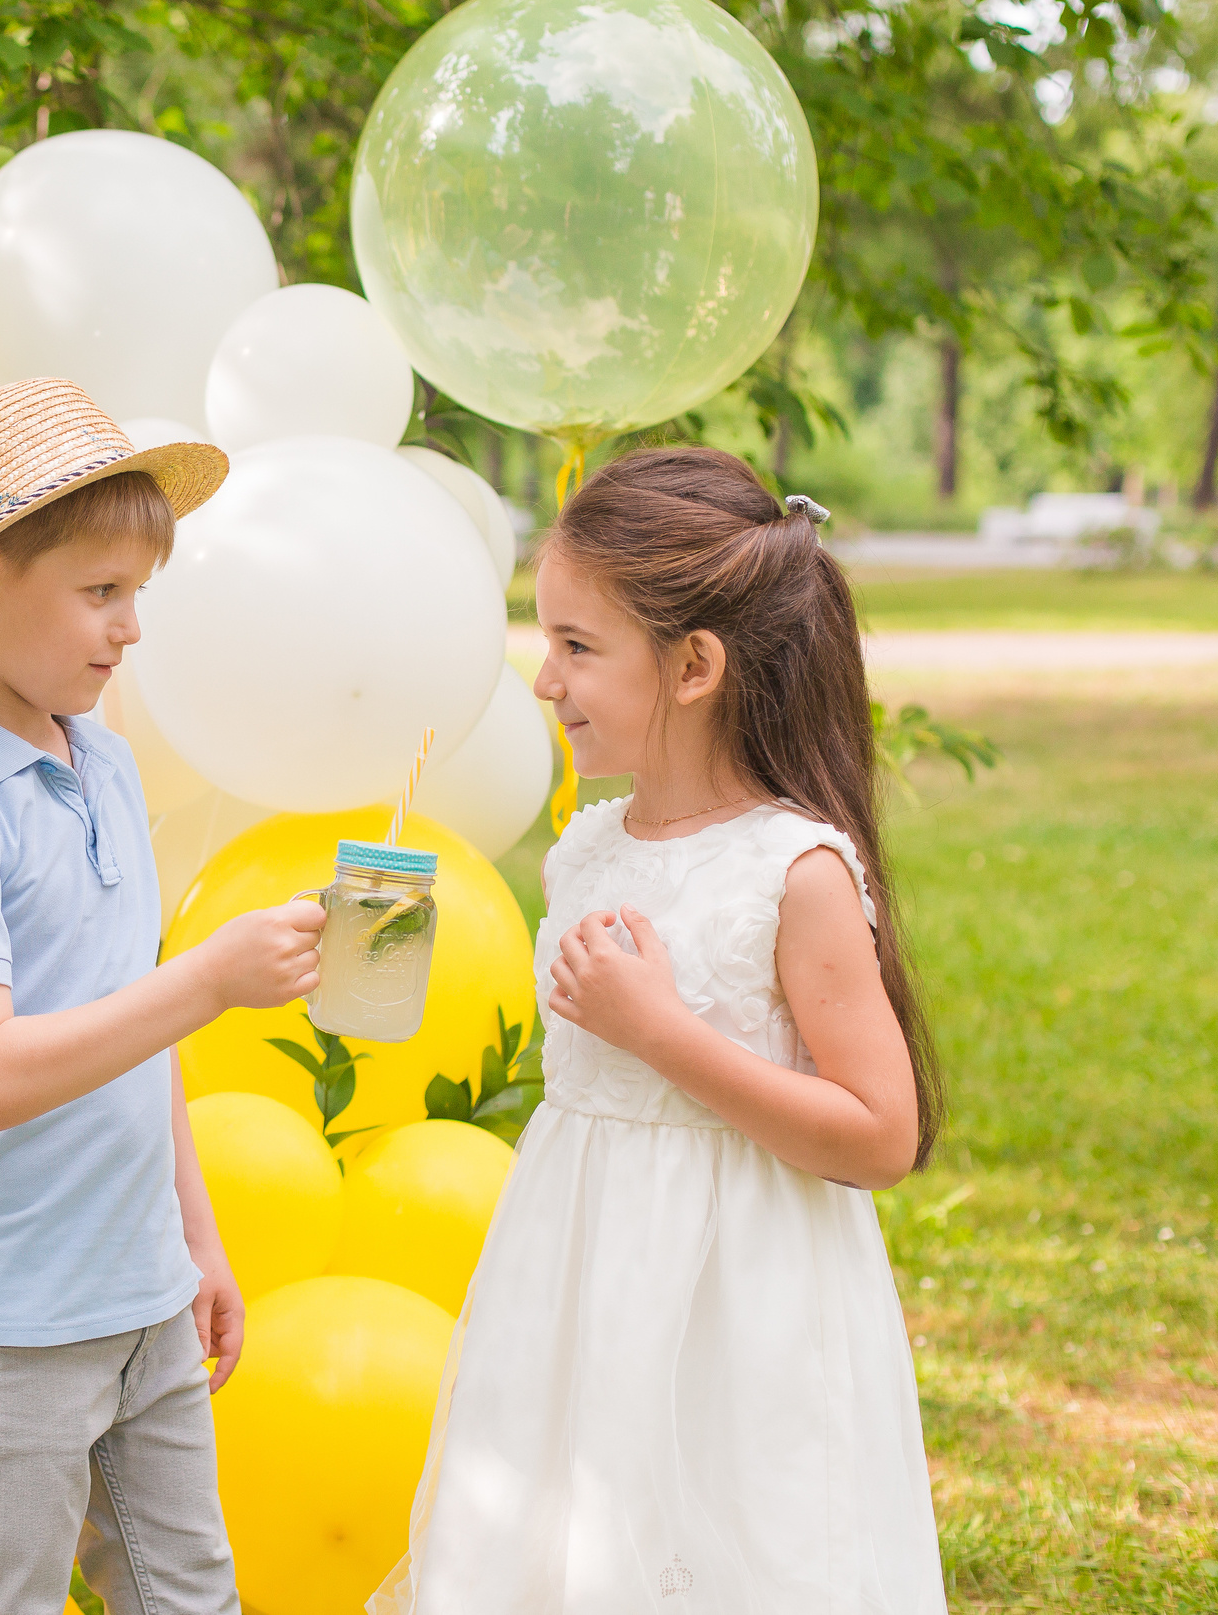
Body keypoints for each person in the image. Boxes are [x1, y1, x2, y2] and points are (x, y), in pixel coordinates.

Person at [374, 447, 947, 1614]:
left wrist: (666, 1035)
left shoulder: (794, 870)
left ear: (693, 665)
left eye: (577, 647)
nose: (545, 682)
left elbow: (880, 1135)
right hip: (581, 1273)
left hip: (740, 1301)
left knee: (724, 1541)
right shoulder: (588, 845)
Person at [0, 377, 325, 1615]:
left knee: (189, 1599)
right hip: (10, 1327)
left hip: (142, 1296)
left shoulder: (103, 762)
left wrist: (196, 1238)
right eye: (101, 593)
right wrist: (208, 979)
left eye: (138, 595)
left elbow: (134, 1033)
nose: (129, 630)